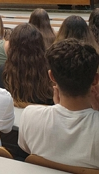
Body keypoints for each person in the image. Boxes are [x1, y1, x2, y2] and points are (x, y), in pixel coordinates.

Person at [18, 39, 99, 168]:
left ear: (52, 77)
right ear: (95, 79)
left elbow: (26, 149)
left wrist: (58, 109)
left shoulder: (30, 115)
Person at [0, 23, 53, 105]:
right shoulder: (51, 72)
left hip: (12, 117)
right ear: (40, 45)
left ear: (12, 46)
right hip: (42, 116)